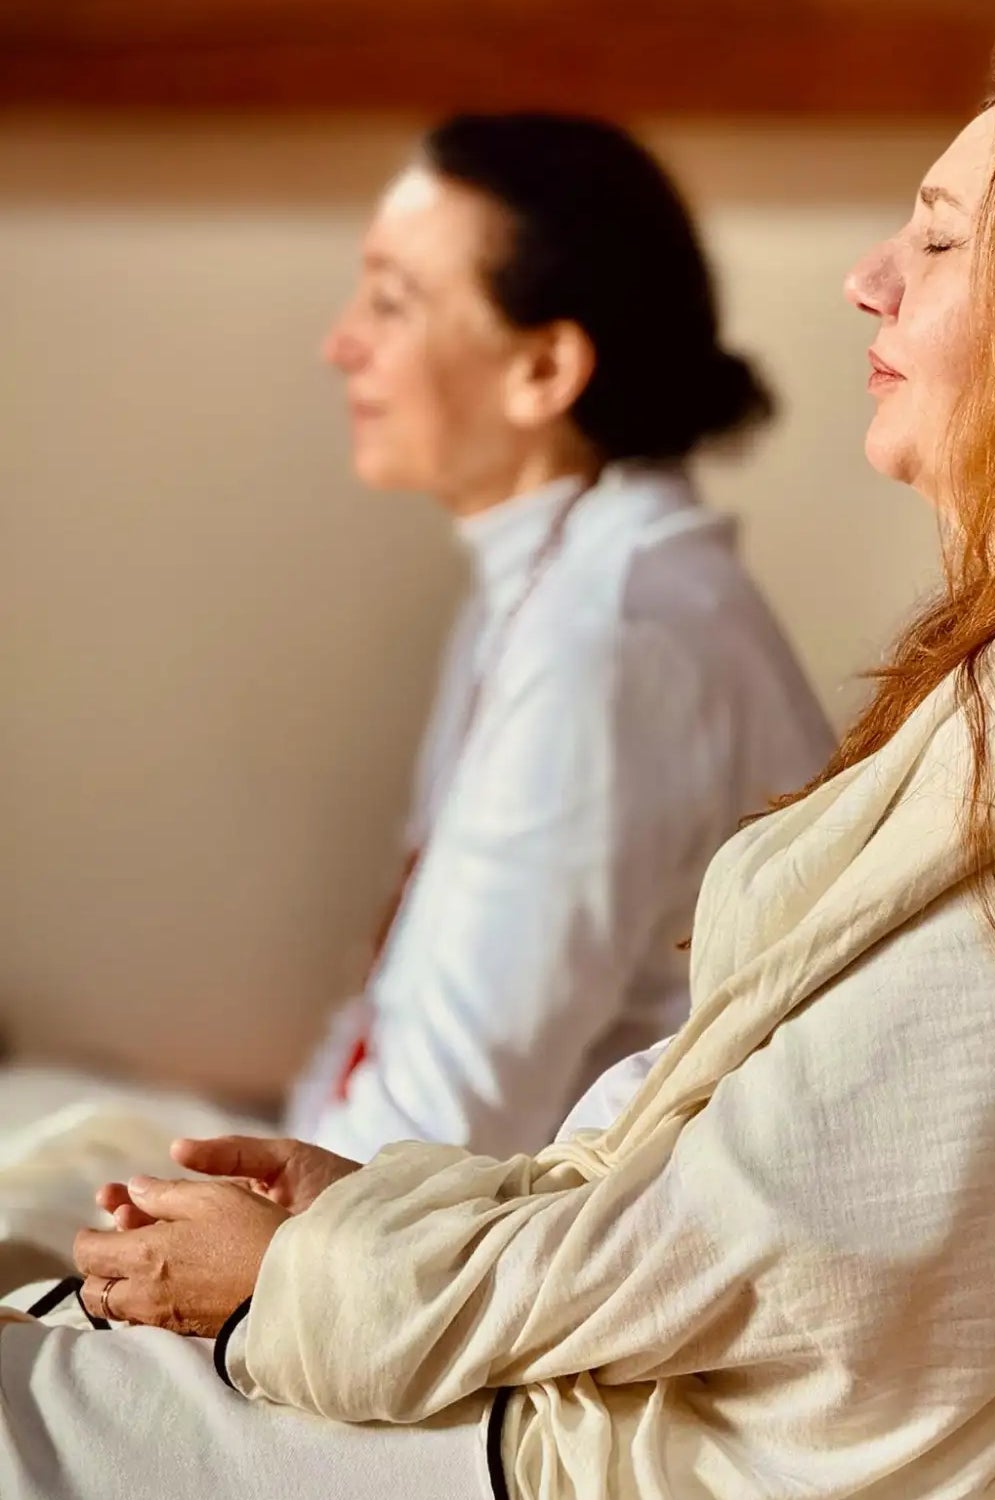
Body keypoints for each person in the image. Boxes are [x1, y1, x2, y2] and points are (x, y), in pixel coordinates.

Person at [0, 18, 995, 1500]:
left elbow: (782, 1239)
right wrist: (368, 1214)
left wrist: (301, 1281)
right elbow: (754, 1169)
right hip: (607, 1366)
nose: (866, 276)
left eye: (939, 244)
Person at [0, 113, 833, 1281]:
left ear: (546, 367)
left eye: (392, 302)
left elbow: (442, 1125)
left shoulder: (616, 641)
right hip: (424, 1212)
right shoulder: (559, 577)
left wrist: (237, 1250)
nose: (342, 343)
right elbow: (403, 1028)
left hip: (498, 1269)